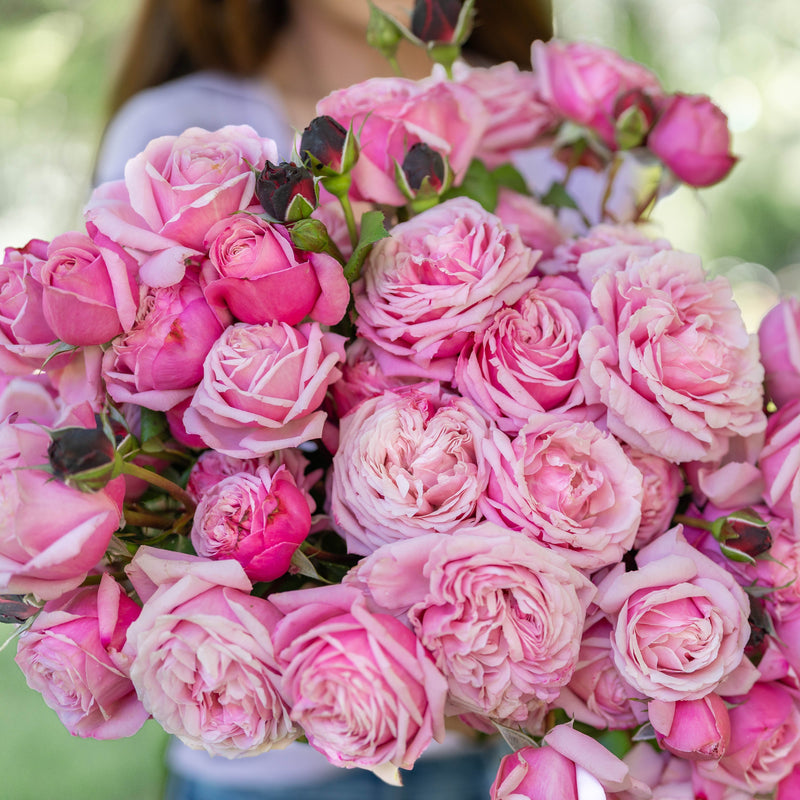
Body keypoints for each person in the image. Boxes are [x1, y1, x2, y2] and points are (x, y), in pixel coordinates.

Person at [95, 2, 553, 798]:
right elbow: (120, 437)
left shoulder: (541, 125)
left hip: (528, 750)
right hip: (280, 770)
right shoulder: (180, 134)